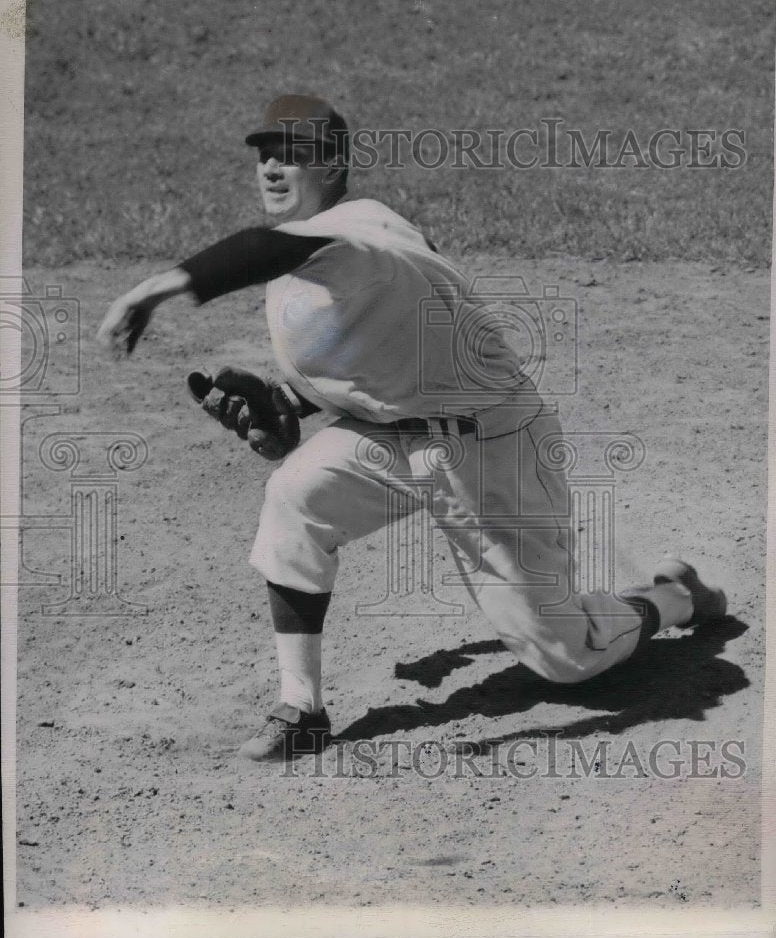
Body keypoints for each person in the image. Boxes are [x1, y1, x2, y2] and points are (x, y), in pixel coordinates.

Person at [97, 94, 727, 762]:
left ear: (335, 162)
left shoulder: (359, 225)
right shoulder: (301, 268)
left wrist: (154, 289)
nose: (274, 167)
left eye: (295, 153)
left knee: (568, 658)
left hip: (490, 444)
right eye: (265, 154)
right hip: (396, 439)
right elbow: (381, 357)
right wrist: (285, 407)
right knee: (294, 496)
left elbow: (258, 247)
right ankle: (302, 708)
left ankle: (673, 594)